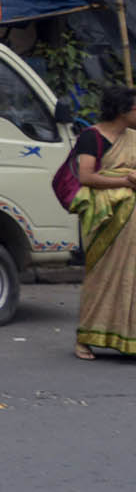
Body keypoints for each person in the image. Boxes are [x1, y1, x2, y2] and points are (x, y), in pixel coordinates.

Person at [72, 84, 136, 359]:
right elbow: (85, 177)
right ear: (123, 111)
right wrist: (124, 180)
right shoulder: (91, 138)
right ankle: (85, 339)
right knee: (106, 278)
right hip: (107, 218)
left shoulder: (133, 137)